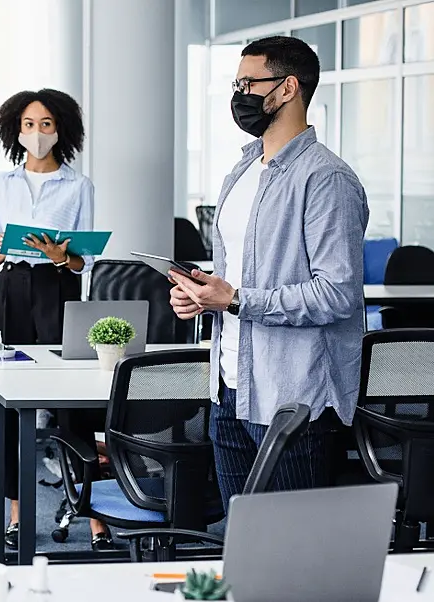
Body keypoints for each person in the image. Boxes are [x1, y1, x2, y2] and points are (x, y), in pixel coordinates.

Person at [169, 36, 368, 511]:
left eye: (248, 82)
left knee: (292, 547)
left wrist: (236, 299)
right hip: (230, 386)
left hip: (292, 397)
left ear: (287, 88)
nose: (239, 95)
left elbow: (337, 294)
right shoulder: (241, 171)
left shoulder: (325, 179)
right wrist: (200, 295)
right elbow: (236, 272)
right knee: (243, 542)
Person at [0, 88, 111, 551]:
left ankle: (95, 513)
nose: (38, 134)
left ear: (63, 131)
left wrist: (62, 256)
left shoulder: (79, 186)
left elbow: (86, 262)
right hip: (12, 287)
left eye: (47, 125)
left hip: (58, 288)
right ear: (17, 130)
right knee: (12, 397)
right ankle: (16, 514)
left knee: (74, 402)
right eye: (30, 125)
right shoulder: (3, 184)